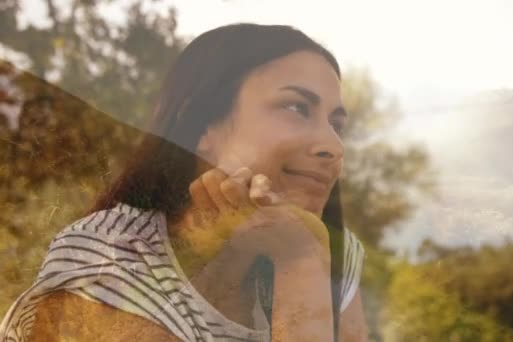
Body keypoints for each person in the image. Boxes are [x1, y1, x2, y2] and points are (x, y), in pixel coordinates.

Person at [0, 23, 367, 341]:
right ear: (203, 125)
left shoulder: (324, 248)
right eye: (296, 108)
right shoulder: (109, 263)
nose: (332, 147)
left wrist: (301, 256)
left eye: (337, 125)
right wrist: (298, 264)